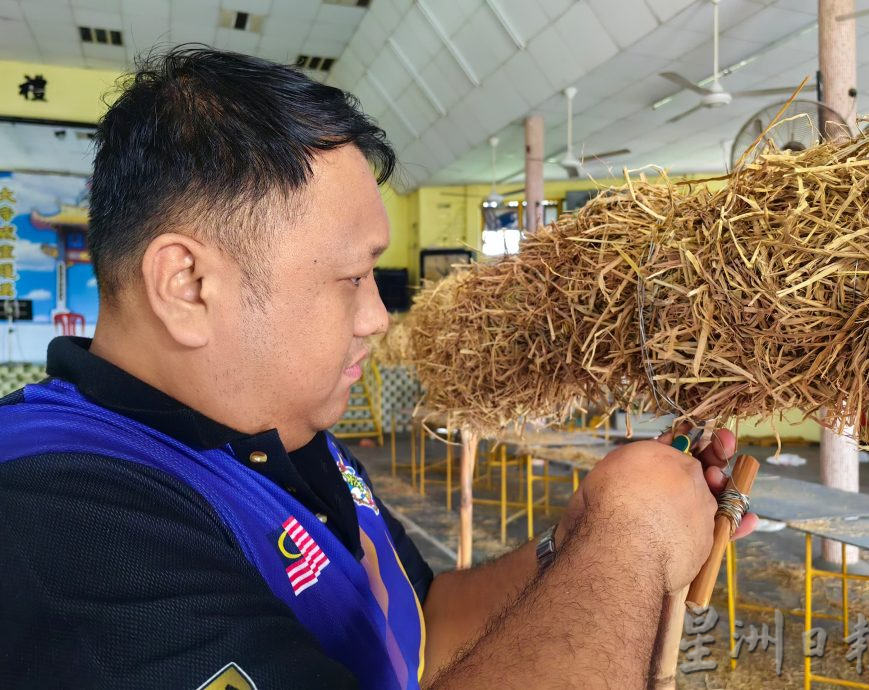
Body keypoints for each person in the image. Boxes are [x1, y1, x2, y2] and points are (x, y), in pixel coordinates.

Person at [0, 48, 756, 690]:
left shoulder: (288, 438)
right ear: (188, 285)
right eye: (352, 277)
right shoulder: (57, 520)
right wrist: (629, 545)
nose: (377, 317)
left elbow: (423, 627)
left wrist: (581, 537)